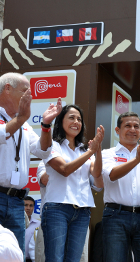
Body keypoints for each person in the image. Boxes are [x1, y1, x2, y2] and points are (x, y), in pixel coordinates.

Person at [0, 72, 62, 254]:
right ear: (7, 89)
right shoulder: (20, 120)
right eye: (25, 91)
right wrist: (20, 119)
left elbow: (42, 150)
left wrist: (46, 125)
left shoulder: (24, 125)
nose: (30, 96)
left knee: (15, 255)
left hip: (17, 200)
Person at [41, 104, 104, 262]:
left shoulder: (84, 150)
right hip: (57, 209)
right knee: (55, 258)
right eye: (71, 118)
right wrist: (91, 151)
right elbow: (64, 169)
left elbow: (96, 174)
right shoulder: (52, 145)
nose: (76, 122)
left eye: (79, 119)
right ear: (61, 121)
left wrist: (97, 150)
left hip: (82, 211)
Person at [101, 112, 140, 262]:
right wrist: (137, 159)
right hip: (115, 215)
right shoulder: (108, 153)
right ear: (117, 130)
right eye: (127, 126)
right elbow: (112, 175)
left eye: (136, 126)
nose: (132, 129)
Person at [35, 160, 104, 262]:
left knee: (78, 259)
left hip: (79, 217)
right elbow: (45, 180)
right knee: (50, 258)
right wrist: (64, 165)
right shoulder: (48, 159)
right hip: (52, 219)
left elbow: (99, 185)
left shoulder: (86, 160)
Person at [24, 196, 40, 262]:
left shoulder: (39, 224)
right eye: (25, 205)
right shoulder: (13, 224)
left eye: (31, 206)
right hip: (16, 258)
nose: (28, 208)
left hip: (32, 260)